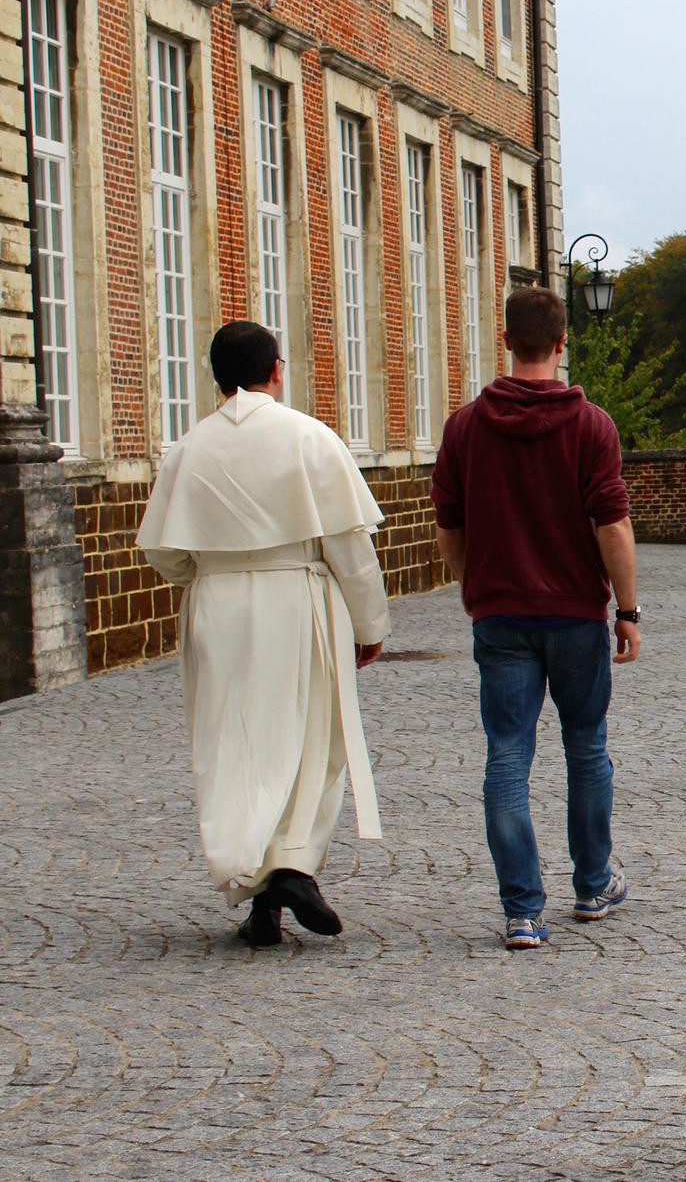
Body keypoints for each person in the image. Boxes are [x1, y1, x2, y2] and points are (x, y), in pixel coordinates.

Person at [138, 321, 390, 947]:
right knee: (310, 737)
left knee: (234, 741)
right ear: (277, 370)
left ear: (216, 377)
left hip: (216, 608)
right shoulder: (309, 438)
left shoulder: (189, 450)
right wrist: (369, 622)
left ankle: (261, 894)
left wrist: (213, 572)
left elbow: (165, 554)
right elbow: (347, 544)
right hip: (297, 598)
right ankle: (292, 864)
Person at [430, 285, 642, 950]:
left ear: (505, 340)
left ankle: (522, 910)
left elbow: (449, 525)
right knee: (586, 746)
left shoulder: (465, 426)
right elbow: (612, 526)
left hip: (500, 614)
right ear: (561, 344)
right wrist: (627, 609)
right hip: (575, 611)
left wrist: (475, 588)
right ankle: (592, 882)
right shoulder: (591, 425)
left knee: (507, 755)